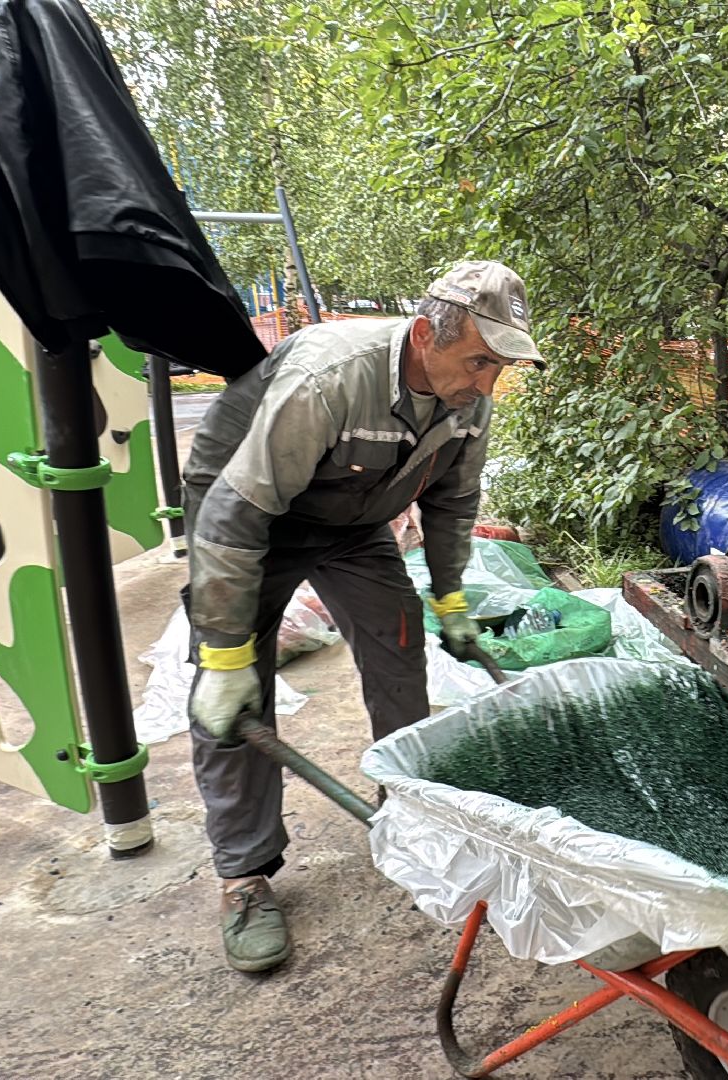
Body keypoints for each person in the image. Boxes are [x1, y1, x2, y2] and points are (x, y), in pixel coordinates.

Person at [179, 261, 543, 972]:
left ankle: (409, 813)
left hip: (352, 522)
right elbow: (235, 514)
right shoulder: (329, 376)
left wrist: (451, 599)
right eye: (477, 360)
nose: (486, 382)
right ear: (423, 335)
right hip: (249, 514)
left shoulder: (468, 396)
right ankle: (245, 876)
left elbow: (451, 504)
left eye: (499, 367)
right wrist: (223, 654)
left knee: (399, 643)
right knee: (231, 700)